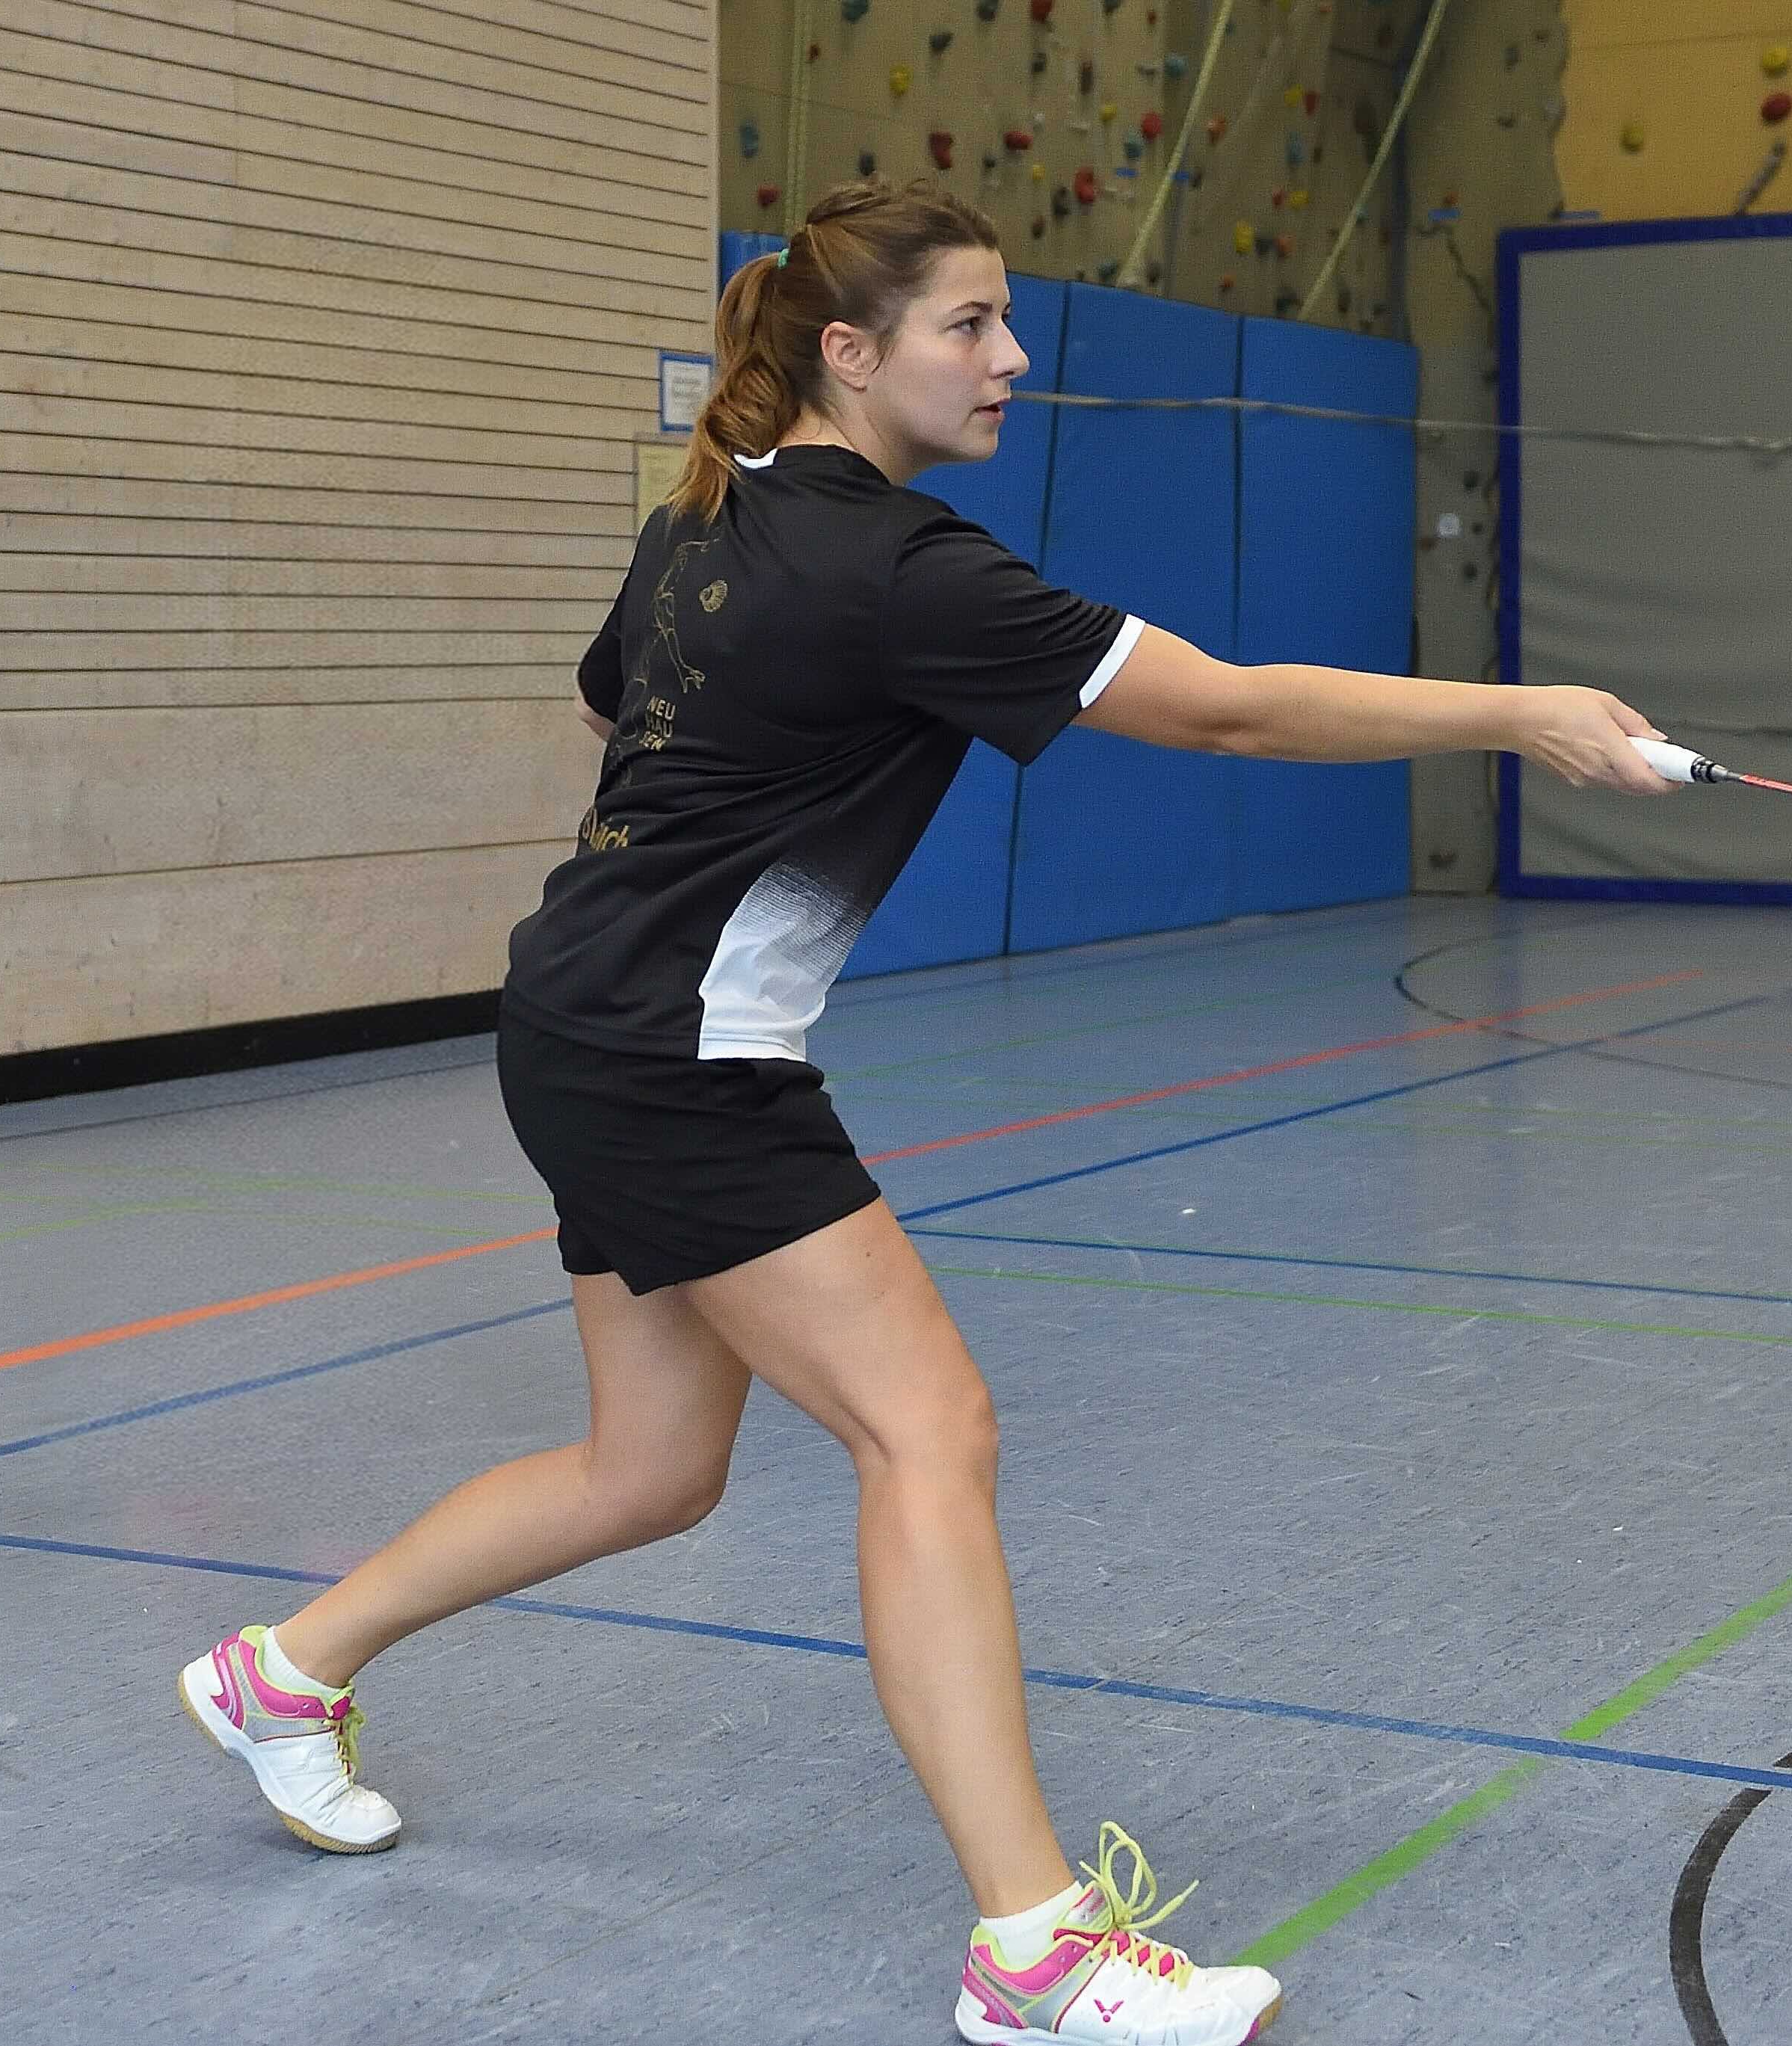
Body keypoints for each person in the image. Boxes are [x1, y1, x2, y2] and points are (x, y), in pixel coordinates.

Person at [176, 181, 1671, 2046]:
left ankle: (284, 1671)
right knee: (929, 1429)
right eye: (970, 323)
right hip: (676, 1058)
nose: (1012, 357)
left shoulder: (701, 519)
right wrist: (1523, 713)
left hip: (579, 1015)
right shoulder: (904, 570)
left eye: (1005, 320)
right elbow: (1228, 714)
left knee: (650, 1472)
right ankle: (1035, 1951)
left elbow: (615, 712)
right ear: (851, 351)